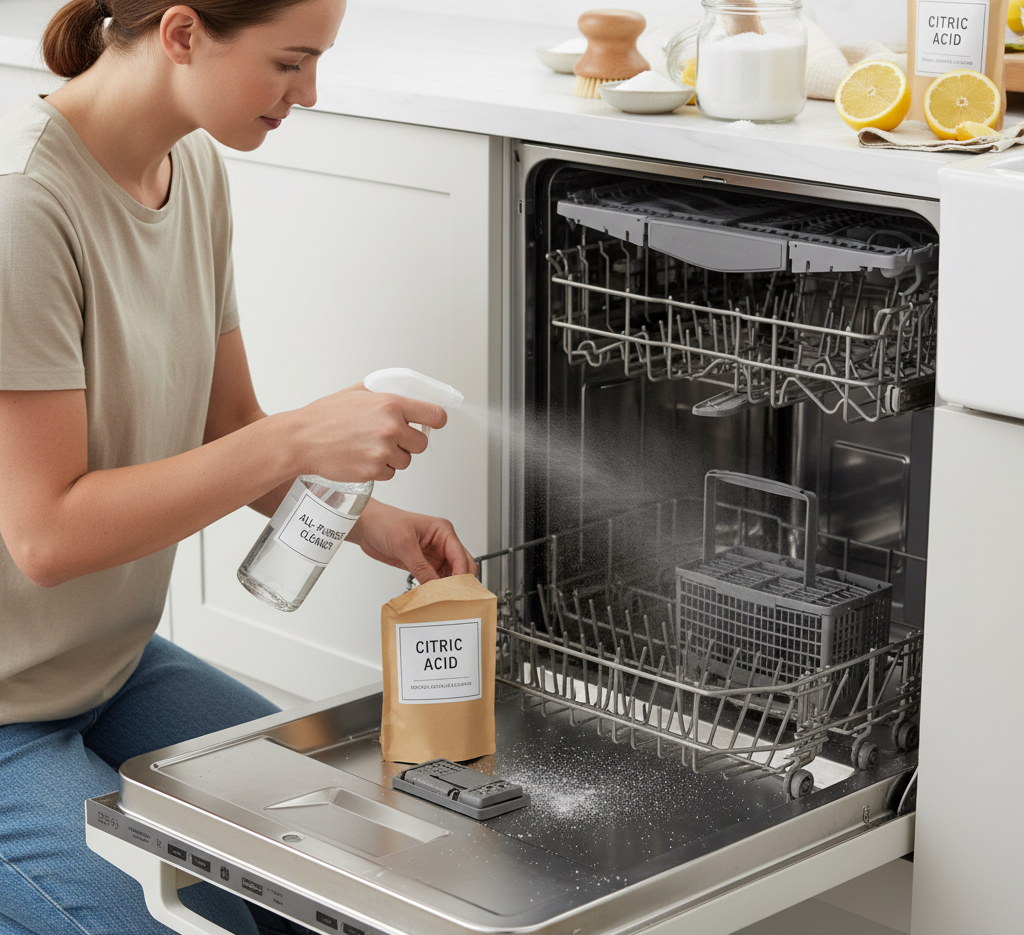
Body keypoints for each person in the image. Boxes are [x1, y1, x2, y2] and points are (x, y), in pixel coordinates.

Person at [0, 1, 476, 933]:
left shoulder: (193, 168)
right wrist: (300, 438)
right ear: (182, 35)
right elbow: (45, 536)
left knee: (333, 881)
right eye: (290, 62)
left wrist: (370, 522)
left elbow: (229, 427)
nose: (310, 92)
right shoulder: (24, 208)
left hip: (107, 662)